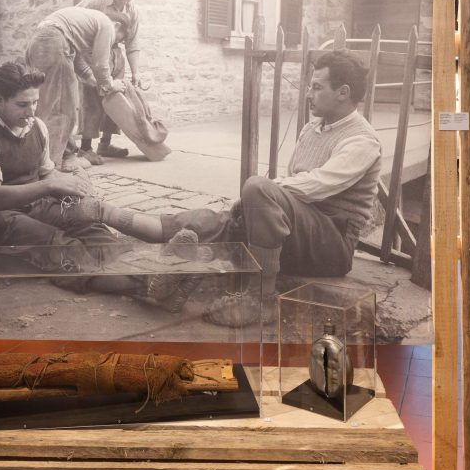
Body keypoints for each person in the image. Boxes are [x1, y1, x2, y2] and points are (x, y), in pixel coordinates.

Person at [158, 50, 382, 327]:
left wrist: (262, 194)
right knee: (217, 222)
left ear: (343, 93)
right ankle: (156, 257)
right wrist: (254, 206)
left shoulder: (362, 140)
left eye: (316, 87)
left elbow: (317, 185)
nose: (308, 94)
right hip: (298, 234)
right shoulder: (311, 129)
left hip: (331, 247)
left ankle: (260, 299)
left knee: (256, 189)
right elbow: (292, 187)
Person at [0, 61, 185, 304]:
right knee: (59, 244)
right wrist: (50, 186)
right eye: (22, 105)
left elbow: (46, 174)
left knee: (91, 227)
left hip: (35, 206)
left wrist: (73, 186)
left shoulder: (37, 127)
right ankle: (147, 286)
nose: (31, 111)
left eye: (35, 102)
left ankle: (150, 273)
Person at [24, 7, 128, 171]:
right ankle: (56, 163)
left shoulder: (81, 24)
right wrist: (110, 85)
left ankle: (49, 156)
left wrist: (93, 80)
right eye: (119, 39)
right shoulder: (107, 24)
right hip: (54, 43)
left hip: (37, 42)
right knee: (64, 108)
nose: (115, 43)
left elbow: (76, 58)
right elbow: (100, 65)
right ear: (117, 25)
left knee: (44, 107)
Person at [74, 0, 145, 164]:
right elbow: (75, 20)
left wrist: (136, 73)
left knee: (116, 98)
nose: (124, 2)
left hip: (115, 55)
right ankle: (85, 149)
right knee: (93, 100)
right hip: (92, 53)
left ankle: (105, 144)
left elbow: (132, 43)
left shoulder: (132, 10)